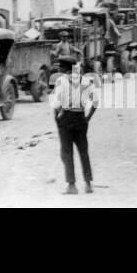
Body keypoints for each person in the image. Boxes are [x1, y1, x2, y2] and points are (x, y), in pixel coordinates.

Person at [49, 54, 98, 194]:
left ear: (65, 67)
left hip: (66, 118)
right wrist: (87, 118)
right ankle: (88, 184)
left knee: (67, 152)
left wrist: (58, 118)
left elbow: (56, 104)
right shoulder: (85, 80)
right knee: (84, 152)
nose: (59, 68)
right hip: (81, 117)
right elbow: (95, 102)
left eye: (60, 66)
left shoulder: (61, 81)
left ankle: (72, 186)